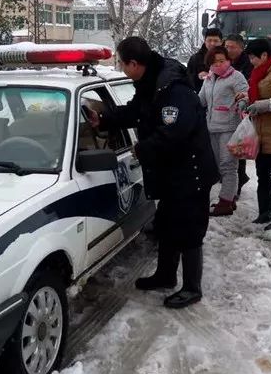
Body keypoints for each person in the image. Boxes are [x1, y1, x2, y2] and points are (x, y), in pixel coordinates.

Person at [90, 37, 219, 308]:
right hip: (172, 171)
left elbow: (175, 132)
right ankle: (165, 275)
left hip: (190, 172)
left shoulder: (173, 89)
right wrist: (103, 120)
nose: (122, 69)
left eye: (122, 64)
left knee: (189, 229)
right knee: (168, 224)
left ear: (134, 64)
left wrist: (142, 149)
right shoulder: (150, 83)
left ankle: (192, 288)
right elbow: (136, 112)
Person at [234, 38, 271, 231]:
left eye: (253, 57)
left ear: (264, 55)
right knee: (262, 175)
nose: (251, 62)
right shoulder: (258, 70)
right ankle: (264, 212)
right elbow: (255, 93)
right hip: (259, 130)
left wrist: (263, 105)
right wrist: (246, 99)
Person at [198, 46, 249, 217]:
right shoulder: (209, 78)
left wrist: (242, 102)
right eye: (215, 62)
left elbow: (245, 94)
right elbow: (201, 100)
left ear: (228, 60)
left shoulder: (236, 76)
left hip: (229, 127)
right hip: (211, 127)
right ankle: (230, 197)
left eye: (222, 60)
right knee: (219, 166)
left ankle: (226, 202)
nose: (219, 64)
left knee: (228, 166)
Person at [225, 34, 252, 201]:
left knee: (238, 148)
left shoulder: (247, 65)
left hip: (241, 111)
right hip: (223, 113)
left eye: (232, 47)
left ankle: (238, 182)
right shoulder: (223, 63)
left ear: (241, 48)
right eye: (226, 46)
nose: (228, 50)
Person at [187, 28, 223, 93]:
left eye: (215, 41)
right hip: (202, 97)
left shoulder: (228, 58)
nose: (212, 43)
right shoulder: (195, 59)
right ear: (205, 41)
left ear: (221, 42)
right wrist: (198, 76)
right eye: (209, 40)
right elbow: (188, 79)